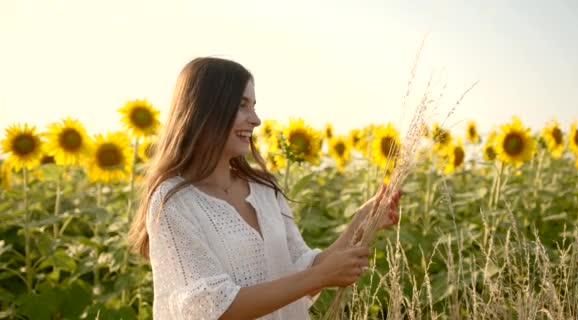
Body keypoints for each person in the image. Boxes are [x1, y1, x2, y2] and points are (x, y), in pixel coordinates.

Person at [128, 57, 402, 320]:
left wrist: (363, 220)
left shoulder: (263, 189)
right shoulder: (173, 202)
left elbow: (300, 273)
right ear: (207, 110)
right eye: (242, 106)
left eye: (254, 105)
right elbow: (215, 308)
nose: (256, 119)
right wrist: (319, 276)